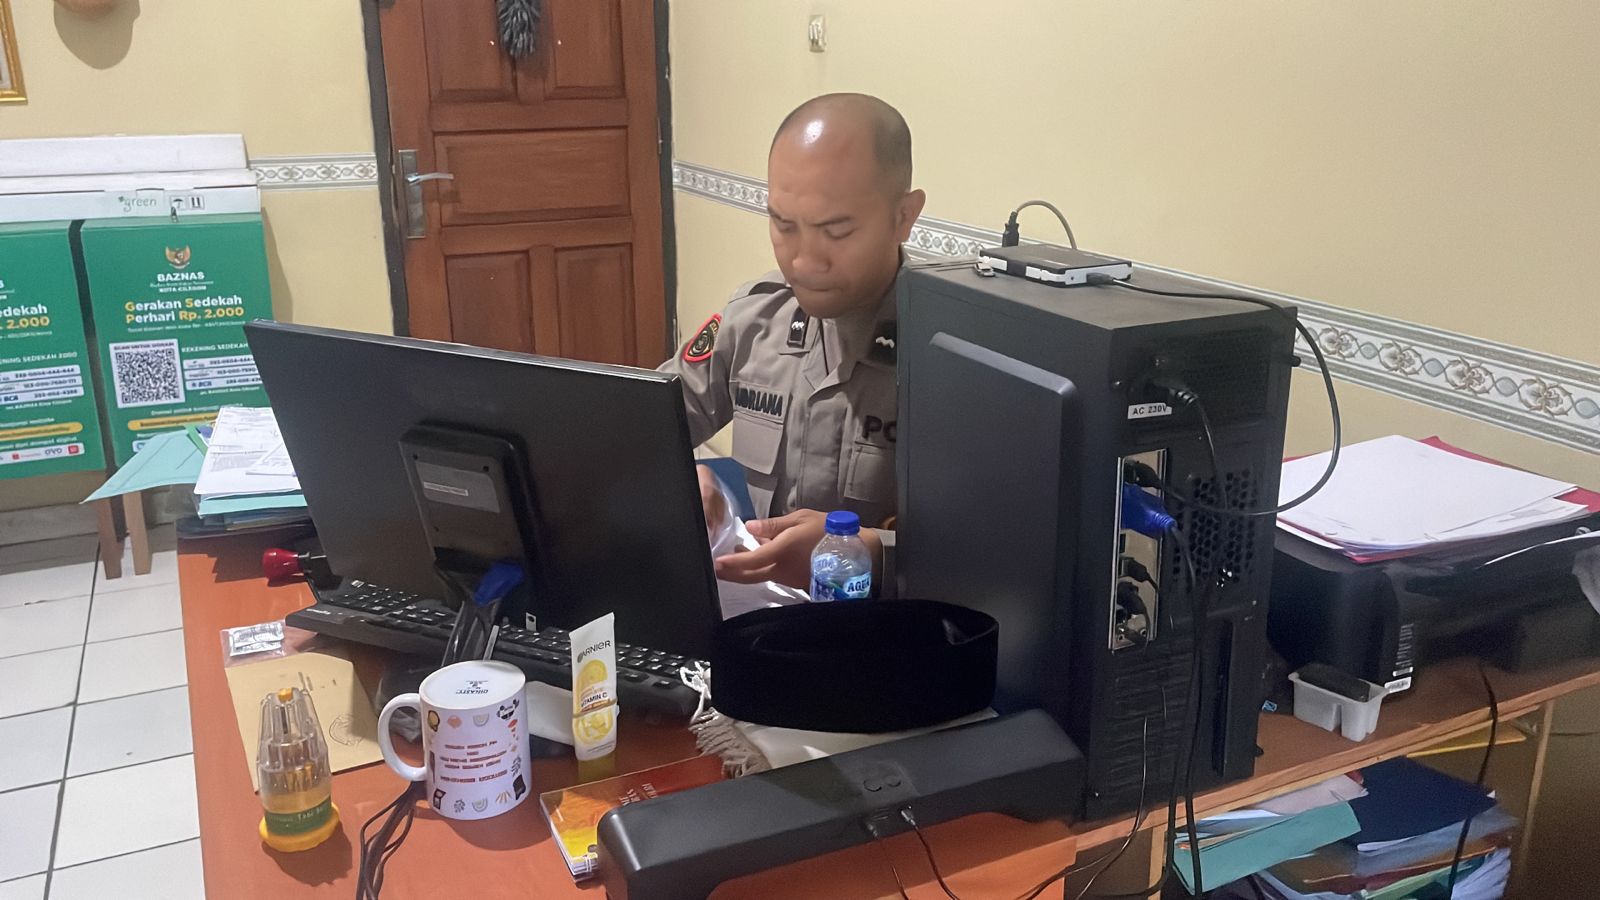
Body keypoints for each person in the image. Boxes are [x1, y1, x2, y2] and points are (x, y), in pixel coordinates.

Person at [658, 92, 925, 592]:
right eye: (783, 226)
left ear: (904, 216)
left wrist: (870, 554)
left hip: (891, 626)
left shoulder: (950, 356)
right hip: (757, 610)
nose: (802, 261)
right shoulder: (755, 318)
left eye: (836, 231)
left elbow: (996, 547)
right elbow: (642, 422)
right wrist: (680, 476)